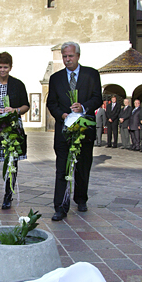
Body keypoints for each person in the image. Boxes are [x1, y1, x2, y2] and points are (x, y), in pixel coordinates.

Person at [47, 42, 102, 220]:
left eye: (70, 56)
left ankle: (81, 198)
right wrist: (62, 115)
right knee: (62, 168)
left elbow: (97, 98)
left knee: (83, 166)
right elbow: (51, 103)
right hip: (64, 131)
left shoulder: (91, 74)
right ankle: (60, 207)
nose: (67, 59)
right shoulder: (55, 78)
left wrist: (83, 108)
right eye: (64, 56)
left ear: (78, 56)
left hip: (85, 130)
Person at [0, 52, 29, 211]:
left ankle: (8, 197)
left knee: (11, 164)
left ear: (10, 67)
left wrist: (15, 110)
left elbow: (25, 106)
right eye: (0, 67)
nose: (2, 70)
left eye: (5, 67)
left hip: (12, 129)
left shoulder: (18, 84)